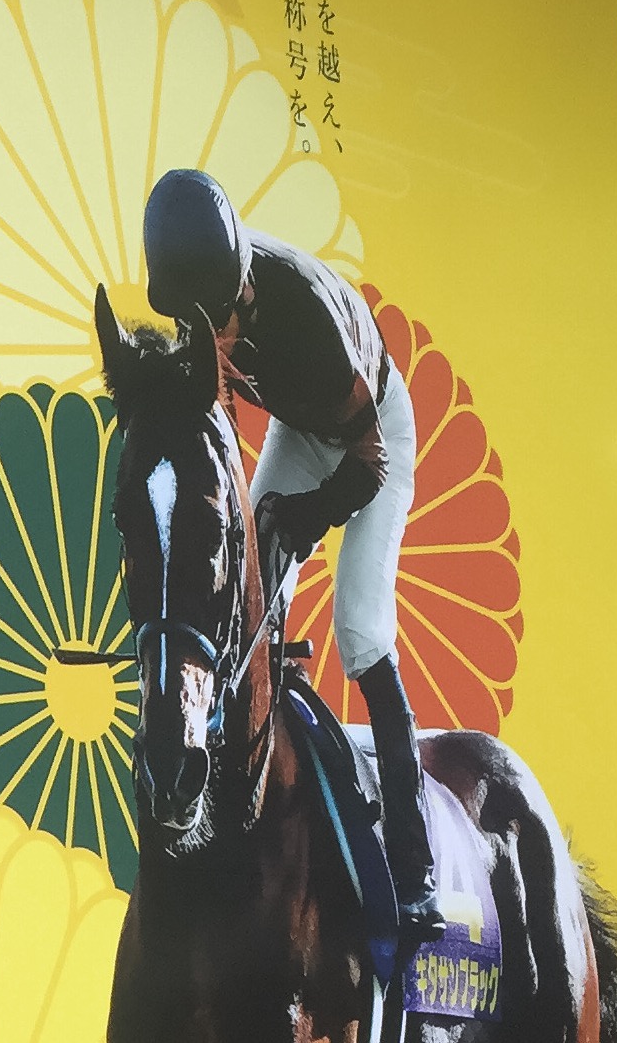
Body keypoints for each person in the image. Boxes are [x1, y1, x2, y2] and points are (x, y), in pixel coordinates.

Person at [142, 166, 445, 942]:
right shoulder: (208, 297)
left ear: (238, 293)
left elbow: (366, 464)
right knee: (243, 608)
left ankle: (413, 865)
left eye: (209, 325)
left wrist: (303, 513)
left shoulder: (306, 320)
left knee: (360, 628)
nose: (204, 343)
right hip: (302, 428)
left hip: (372, 435)